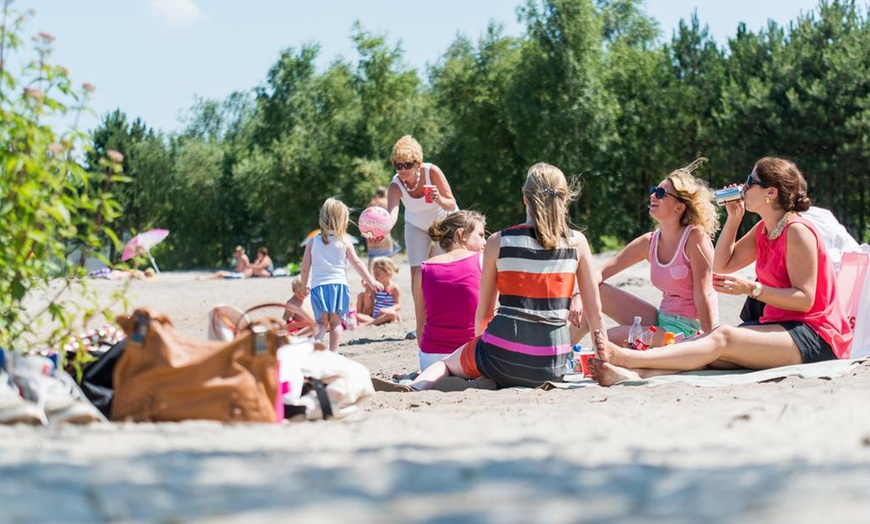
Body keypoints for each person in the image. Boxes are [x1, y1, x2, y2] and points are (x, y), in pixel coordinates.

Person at [590, 156, 854, 386]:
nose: (743, 186)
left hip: (814, 335)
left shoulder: (796, 231)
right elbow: (722, 264)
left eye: (750, 182)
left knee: (722, 336)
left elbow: (804, 299)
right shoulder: (764, 228)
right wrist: (733, 219)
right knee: (710, 355)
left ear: (770, 193)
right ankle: (633, 374)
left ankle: (627, 357)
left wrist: (752, 288)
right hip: (778, 327)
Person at [376, 162, 607, 391]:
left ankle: (416, 386)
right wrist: (603, 360)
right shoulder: (577, 242)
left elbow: (484, 314)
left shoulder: (498, 241)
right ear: (564, 199)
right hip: (551, 364)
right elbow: (594, 313)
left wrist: (484, 358)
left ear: (525, 198)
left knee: (446, 363)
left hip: (500, 356)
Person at [569, 158, 719, 346]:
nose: (653, 196)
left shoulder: (695, 238)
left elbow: (703, 294)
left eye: (661, 193)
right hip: (662, 320)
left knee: (610, 339)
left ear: (679, 207)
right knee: (595, 291)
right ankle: (560, 352)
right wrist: (578, 296)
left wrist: (710, 341)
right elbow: (599, 273)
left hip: (689, 329)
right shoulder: (650, 242)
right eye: (653, 191)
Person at [384, 135, 458, 333]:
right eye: (398, 165)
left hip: (443, 222)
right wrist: (380, 230)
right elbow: (391, 215)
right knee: (416, 273)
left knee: (444, 270)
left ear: (417, 163)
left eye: (407, 164)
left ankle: (449, 319)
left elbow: (451, 203)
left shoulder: (431, 171)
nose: (402, 170)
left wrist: (438, 198)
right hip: (416, 225)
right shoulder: (395, 186)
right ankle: (422, 325)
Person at [300, 198, 383, 351]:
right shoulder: (344, 241)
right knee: (336, 322)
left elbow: (305, 267)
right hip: (339, 286)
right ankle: (333, 353)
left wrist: (304, 284)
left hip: (318, 287)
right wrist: (371, 281)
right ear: (343, 220)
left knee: (320, 322)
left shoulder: (313, 241)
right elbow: (357, 263)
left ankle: (315, 346)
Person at [414, 210, 486, 370]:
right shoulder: (482, 261)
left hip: (430, 357)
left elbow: (420, 326)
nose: (485, 242)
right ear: (462, 235)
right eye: (481, 235)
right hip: (472, 355)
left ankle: (430, 375)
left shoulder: (423, 269)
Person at [356, 257, 402, 326]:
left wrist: (388, 309)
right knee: (358, 315)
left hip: (387, 314)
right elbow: (369, 307)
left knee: (392, 314)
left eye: (377, 274)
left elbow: (398, 305)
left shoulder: (394, 288)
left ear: (387, 273)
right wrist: (367, 291)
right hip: (375, 317)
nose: (375, 277)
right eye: (374, 274)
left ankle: (370, 323)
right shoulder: (376, 288)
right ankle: (376, 322)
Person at [365, 186, 401, 272]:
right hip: (384, 236)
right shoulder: (387, 203)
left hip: (371, 235)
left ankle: (369, 276)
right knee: (388, 257)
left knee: (372, 258)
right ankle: (392, 266)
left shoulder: (371, 204)